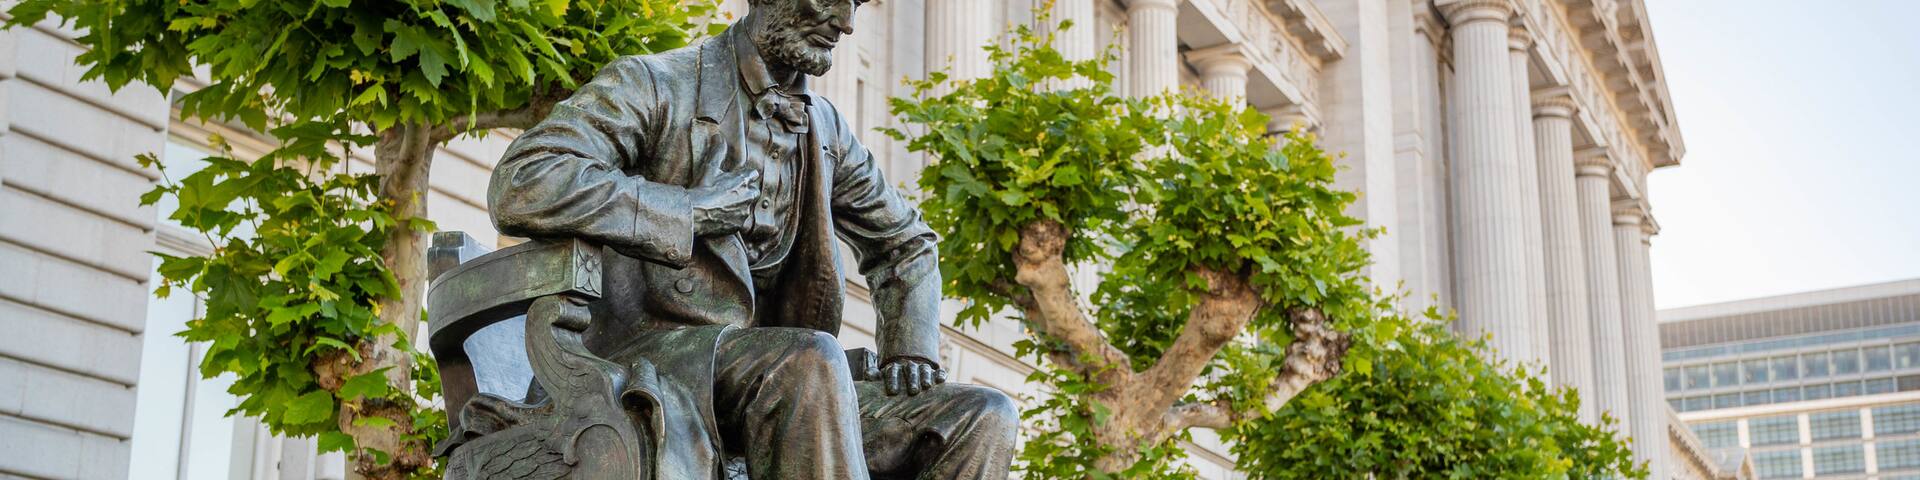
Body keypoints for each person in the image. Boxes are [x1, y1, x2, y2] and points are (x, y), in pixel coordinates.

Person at [486, 0, 1017, 478]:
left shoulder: (826, 132)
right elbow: (524, 180)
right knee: (808, 361)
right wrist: (687, 210)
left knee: (982, 416)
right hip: (651, 361)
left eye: (854, 3)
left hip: (789, 381)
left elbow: (907, 242)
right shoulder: (656, 84)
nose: (847, 23)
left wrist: (911, 351)